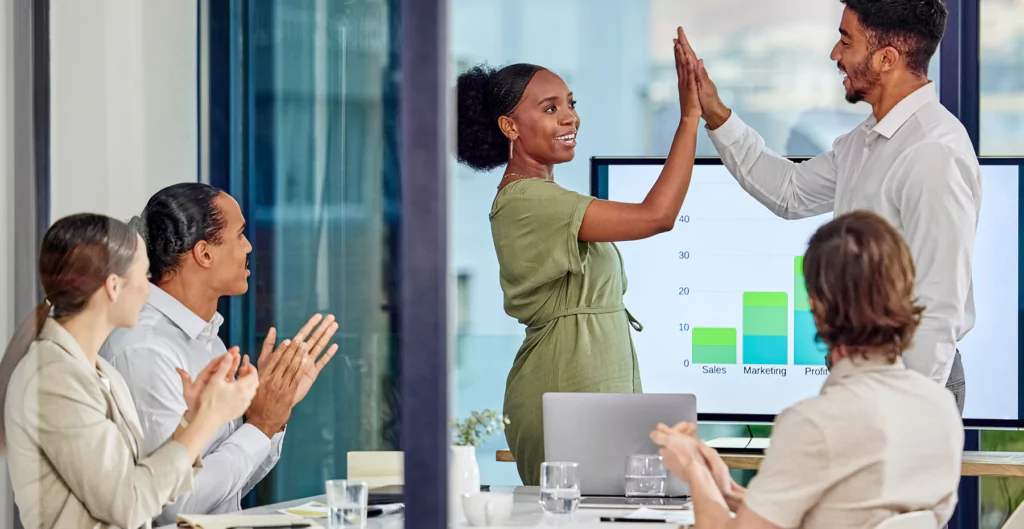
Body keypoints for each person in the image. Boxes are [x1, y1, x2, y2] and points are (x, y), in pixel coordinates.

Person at [683, 0, 980, 412]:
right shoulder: (867, 140)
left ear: (886, 58)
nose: (835, 55)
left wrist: (907, 416)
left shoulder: (933, 153)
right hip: (865, 377)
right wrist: (714, 112)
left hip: (910, 386)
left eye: (846, 41)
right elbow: (789, 192)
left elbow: (937, 306)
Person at [455, 27, 702, 485]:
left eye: (571, 104)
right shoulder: (528, 200)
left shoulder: (547, 196)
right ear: (509, 127)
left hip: (591, 383)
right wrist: (689, 119)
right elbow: (656, 216)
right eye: (551, 109)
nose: (570, 118)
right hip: (565, 385)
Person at [651, 211, 964, 529]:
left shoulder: (814, 424)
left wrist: (692, 470)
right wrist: (727, 491)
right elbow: (844, 515)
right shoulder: (940, 408)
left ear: (817, 307)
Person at [99, 183, 339, 525]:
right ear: (204, 253)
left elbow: (225, 491)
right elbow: (175, 505)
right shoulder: (144, 348)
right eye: (240, 234)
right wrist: (261, 423)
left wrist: (272, 411)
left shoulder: (207, 339)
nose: (249, 246)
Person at [0, 213, 258, 529]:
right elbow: (129, 504)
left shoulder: (101, 372)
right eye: (144, 276)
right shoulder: (53, 380)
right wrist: (208, 420)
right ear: (113, 286)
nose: (149, 292)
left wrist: (191, 417)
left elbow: (145, 481)